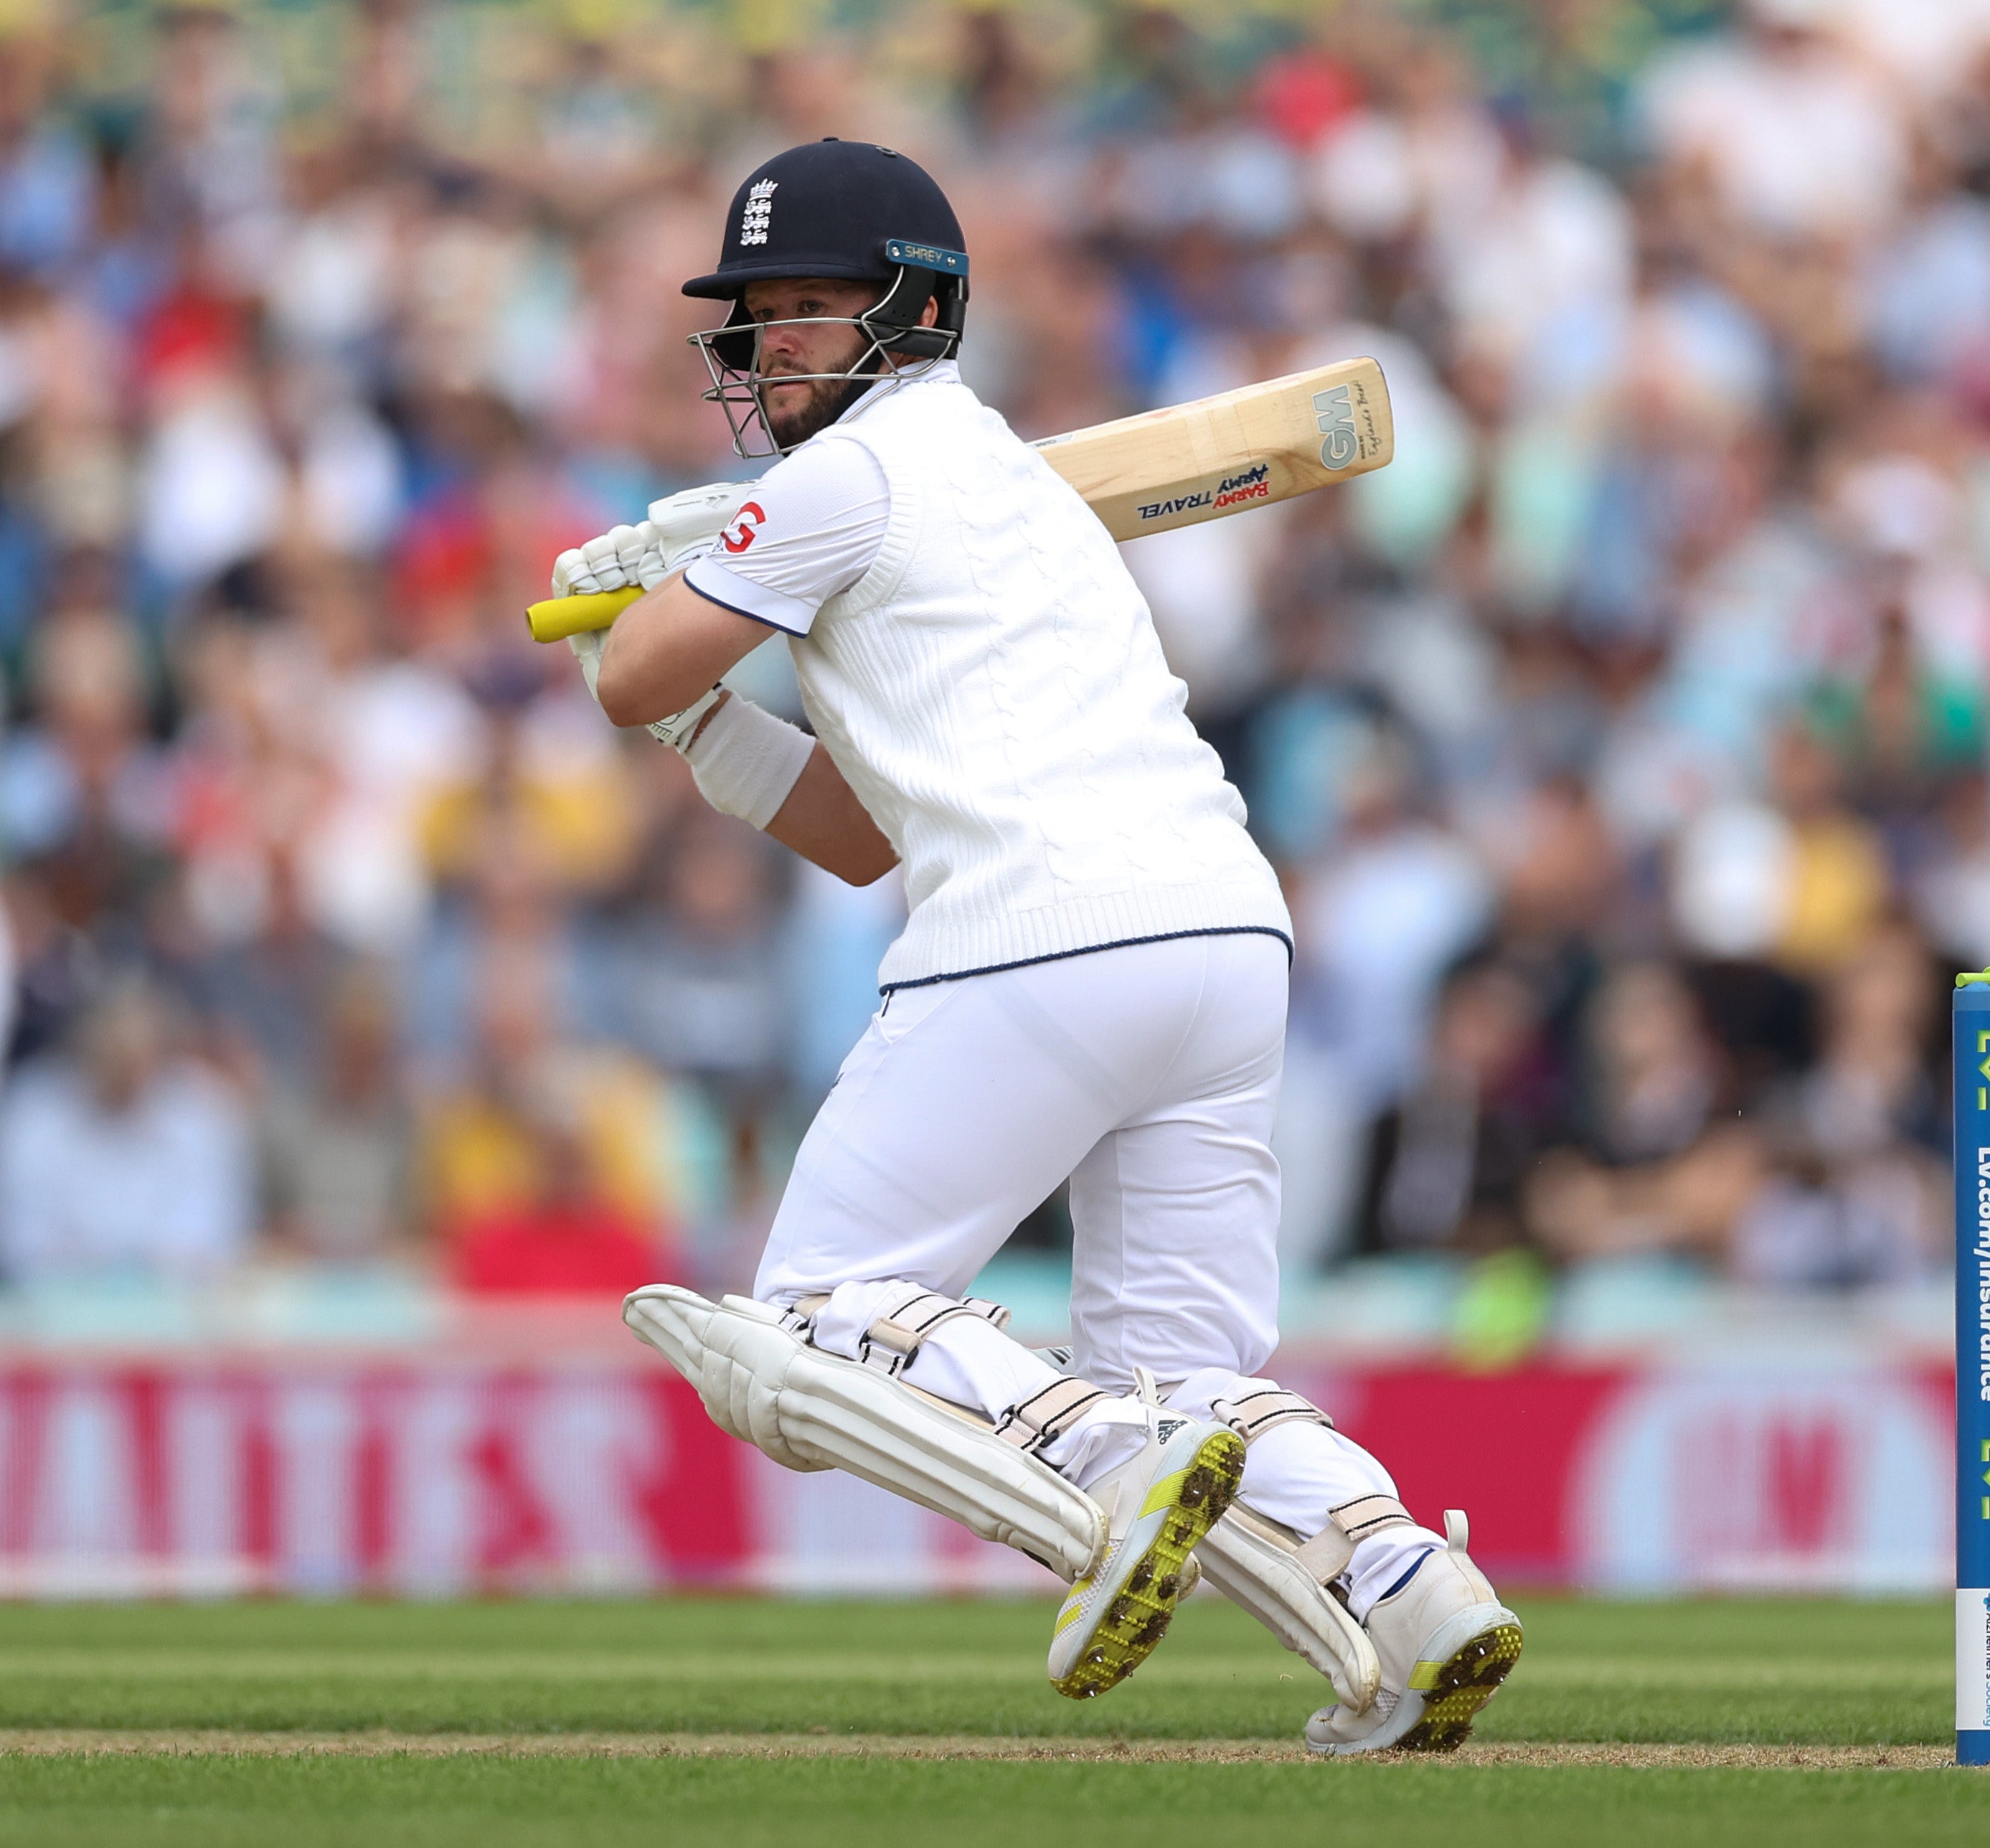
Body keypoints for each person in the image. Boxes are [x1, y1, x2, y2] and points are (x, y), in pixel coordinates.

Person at [555, 140, 1519, 1750]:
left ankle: (1096, 1460)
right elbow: (860, 832)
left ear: (908, 312)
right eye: (759, 312)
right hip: (1217, 932)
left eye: (809, 307)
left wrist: (647, 614)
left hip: (1040, 933)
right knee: (1192, 1370)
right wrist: (708, 668)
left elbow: (632, 673)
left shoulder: (847, 481)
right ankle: (1408, 1580)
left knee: (814, 1310)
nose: (773, 339)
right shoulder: (997, 490)